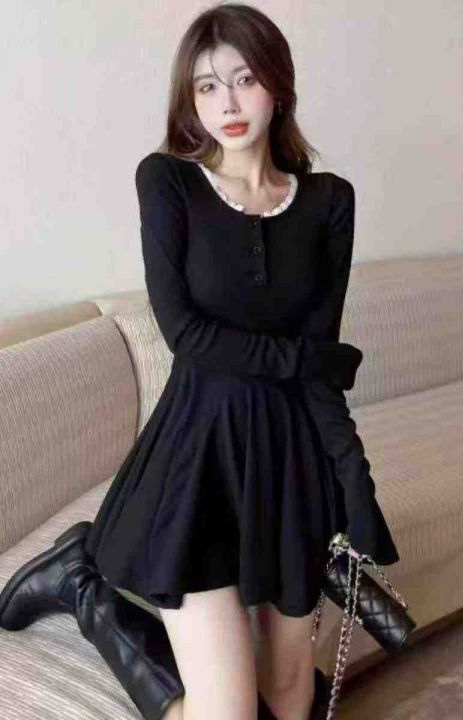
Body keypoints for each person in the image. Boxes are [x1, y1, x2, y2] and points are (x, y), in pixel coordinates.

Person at [0, 4, 399, 720]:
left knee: (289, 696)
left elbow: (320, 370)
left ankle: (85, 581)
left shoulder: (329, 202)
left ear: (278, 84)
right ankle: (84, 587)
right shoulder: (168, 183)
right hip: (198, 462)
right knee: (228, 711)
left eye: (244, 80)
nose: (228, 104)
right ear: (189, 98)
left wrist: (355, 482)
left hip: (291, 466)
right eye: (207, 87)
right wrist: (306, 356)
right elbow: (187, 334)